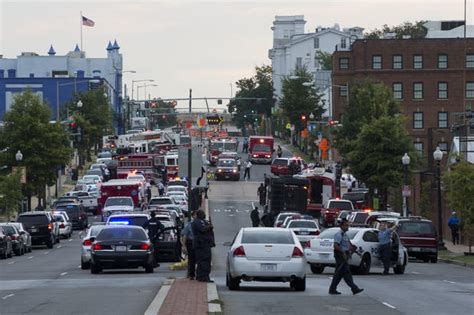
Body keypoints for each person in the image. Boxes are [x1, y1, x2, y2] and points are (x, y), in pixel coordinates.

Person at [329, 219, 364, 295]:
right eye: (345, 225)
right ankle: (354, 288)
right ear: (341, 226)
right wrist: (343, 253)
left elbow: (349, 245)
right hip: (340, 255)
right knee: (346, 272)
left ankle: (332, 289)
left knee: (339, 273)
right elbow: (336, 245)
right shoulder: (339, 234)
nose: (347, 227)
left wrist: (357, 252)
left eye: (348, 225)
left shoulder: (345, 235)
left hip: (344, 254)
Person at [191, 210, 215, 282]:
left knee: (207, 261)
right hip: (201, 244)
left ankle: (204, 276)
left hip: (206, 244)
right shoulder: (196, 222)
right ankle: (202, 276)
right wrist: (209, 227)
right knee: (203, 261)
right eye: (203, 214)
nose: (204, 215)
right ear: (200, 215)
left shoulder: (204, 222)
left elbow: (210, 232)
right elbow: (202, 229)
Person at [181, 211, 197, 280]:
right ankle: (191, 274)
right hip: (191, 243)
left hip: (198, 243)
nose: (196, 216)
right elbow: (185, 235)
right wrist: (184, 245)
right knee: (191, 259)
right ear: (192, 216)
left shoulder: (201, 224)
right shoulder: (189, 225)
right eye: (195, 215)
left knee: (199, 259)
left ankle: (199, 274)